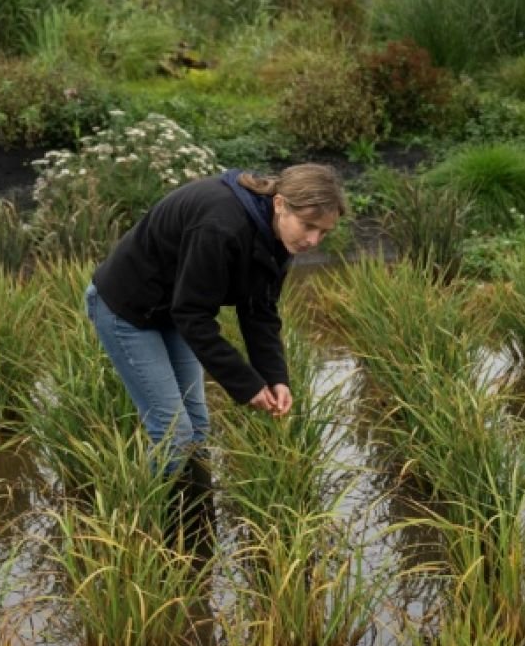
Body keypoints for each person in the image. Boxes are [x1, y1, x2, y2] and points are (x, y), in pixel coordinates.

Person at [85, 163, 347, 534]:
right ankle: (157, 530)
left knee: (199, 427)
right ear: (279, 204)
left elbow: (259, 310)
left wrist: (274, 378)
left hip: (173, 309)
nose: (313, 241)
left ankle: (196, 523)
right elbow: (192, 314)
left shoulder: (278, 238)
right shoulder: (221, 225)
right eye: (308, 226)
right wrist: (246, 385)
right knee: (173, 433)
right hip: (127, 311)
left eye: (324, 232)